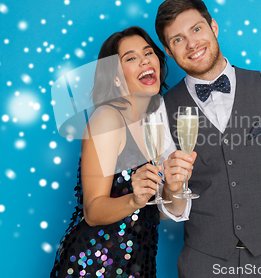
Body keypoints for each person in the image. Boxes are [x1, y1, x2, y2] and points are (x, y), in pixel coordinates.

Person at [155, 0, 261, 277]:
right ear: (169, 52)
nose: (192, 43)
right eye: (178, 39)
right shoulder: (162, 109)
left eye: (197, 29)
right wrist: (171, 188)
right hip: (203, 262)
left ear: (214, 27)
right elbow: (171, 210)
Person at [50, 26, 182, 278]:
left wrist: (173, 188)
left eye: (148, 52)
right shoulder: (107, 118)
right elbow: (92, 210)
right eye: (131, 58)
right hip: (97, 264)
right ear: (116, 78)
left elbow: (154, 212)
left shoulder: (150, 123)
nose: (144, 60)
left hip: (138, 264)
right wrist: (134, 199)